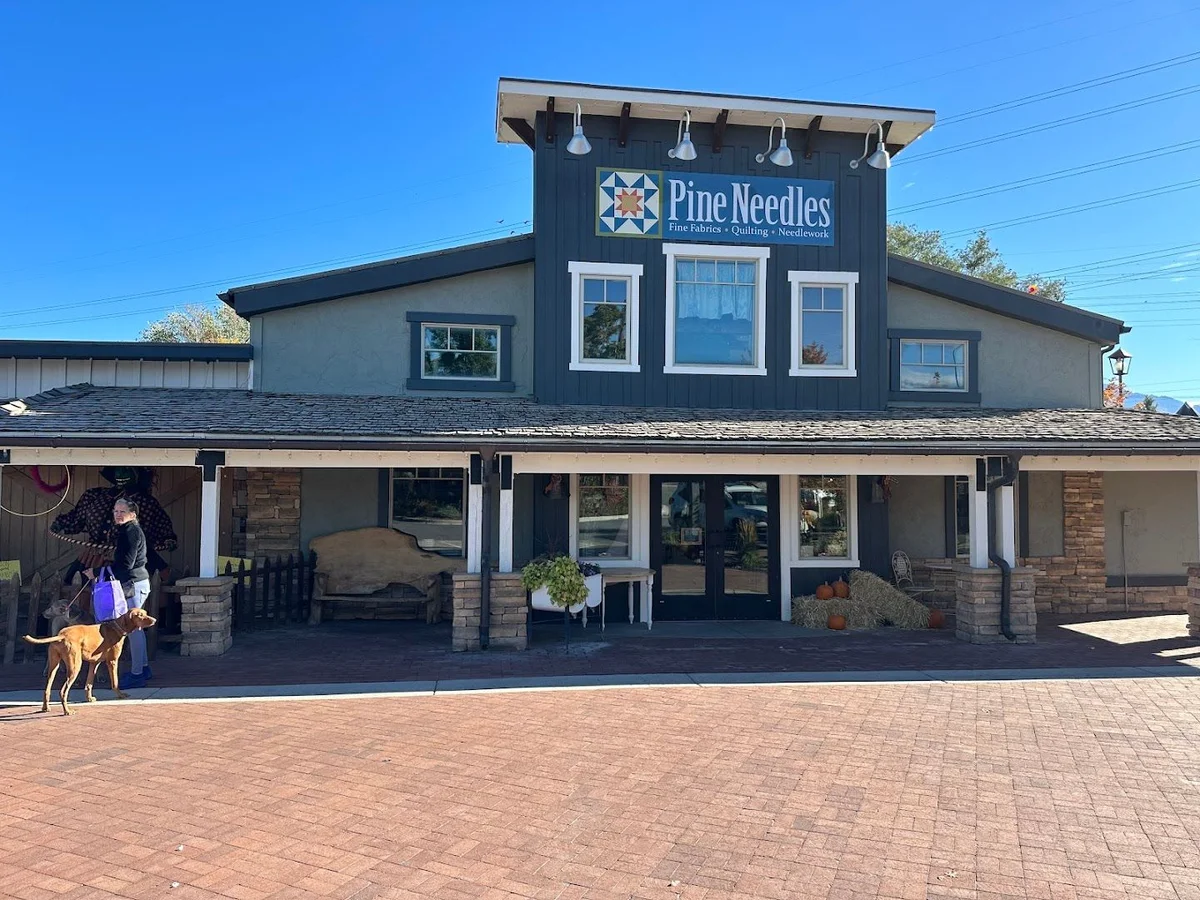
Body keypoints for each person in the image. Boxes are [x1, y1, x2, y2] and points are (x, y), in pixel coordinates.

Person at [87, 498, 152, 689]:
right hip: (135, 581)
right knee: (133, 628)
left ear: (132, 514)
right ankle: (144, 668)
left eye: (122, 511)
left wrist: (98, 573)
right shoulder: (127, 531)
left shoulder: (131, 532)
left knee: (133, 628)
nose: (117, 514)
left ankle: (137, 674)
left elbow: (126, 564)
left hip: (133, 583)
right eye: (115, 511)